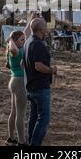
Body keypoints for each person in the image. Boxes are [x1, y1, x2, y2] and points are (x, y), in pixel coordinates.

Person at [23, 18, 57, 146]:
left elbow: (23, 63)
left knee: (33, 117)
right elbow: (38, 66)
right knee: (44, 119)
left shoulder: (28, 41)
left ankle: (31, 142)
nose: (47, 29)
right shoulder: (37, 44)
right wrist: (52, 70)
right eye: (46, 27)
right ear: (41, 29)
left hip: (31, 86)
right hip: (40, 87)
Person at [6, 31, 27, 146]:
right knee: (20, 113)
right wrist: (10, 39)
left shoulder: (18, 48)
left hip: (14, 81)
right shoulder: (14, 51)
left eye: (24, 39)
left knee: (14, 112)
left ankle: (11, 137)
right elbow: (13, 48)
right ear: (15, 41)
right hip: (19, 82)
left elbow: (26, 32)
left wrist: (31, 21)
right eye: (22, 40)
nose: (24, 41)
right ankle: (22, 141)